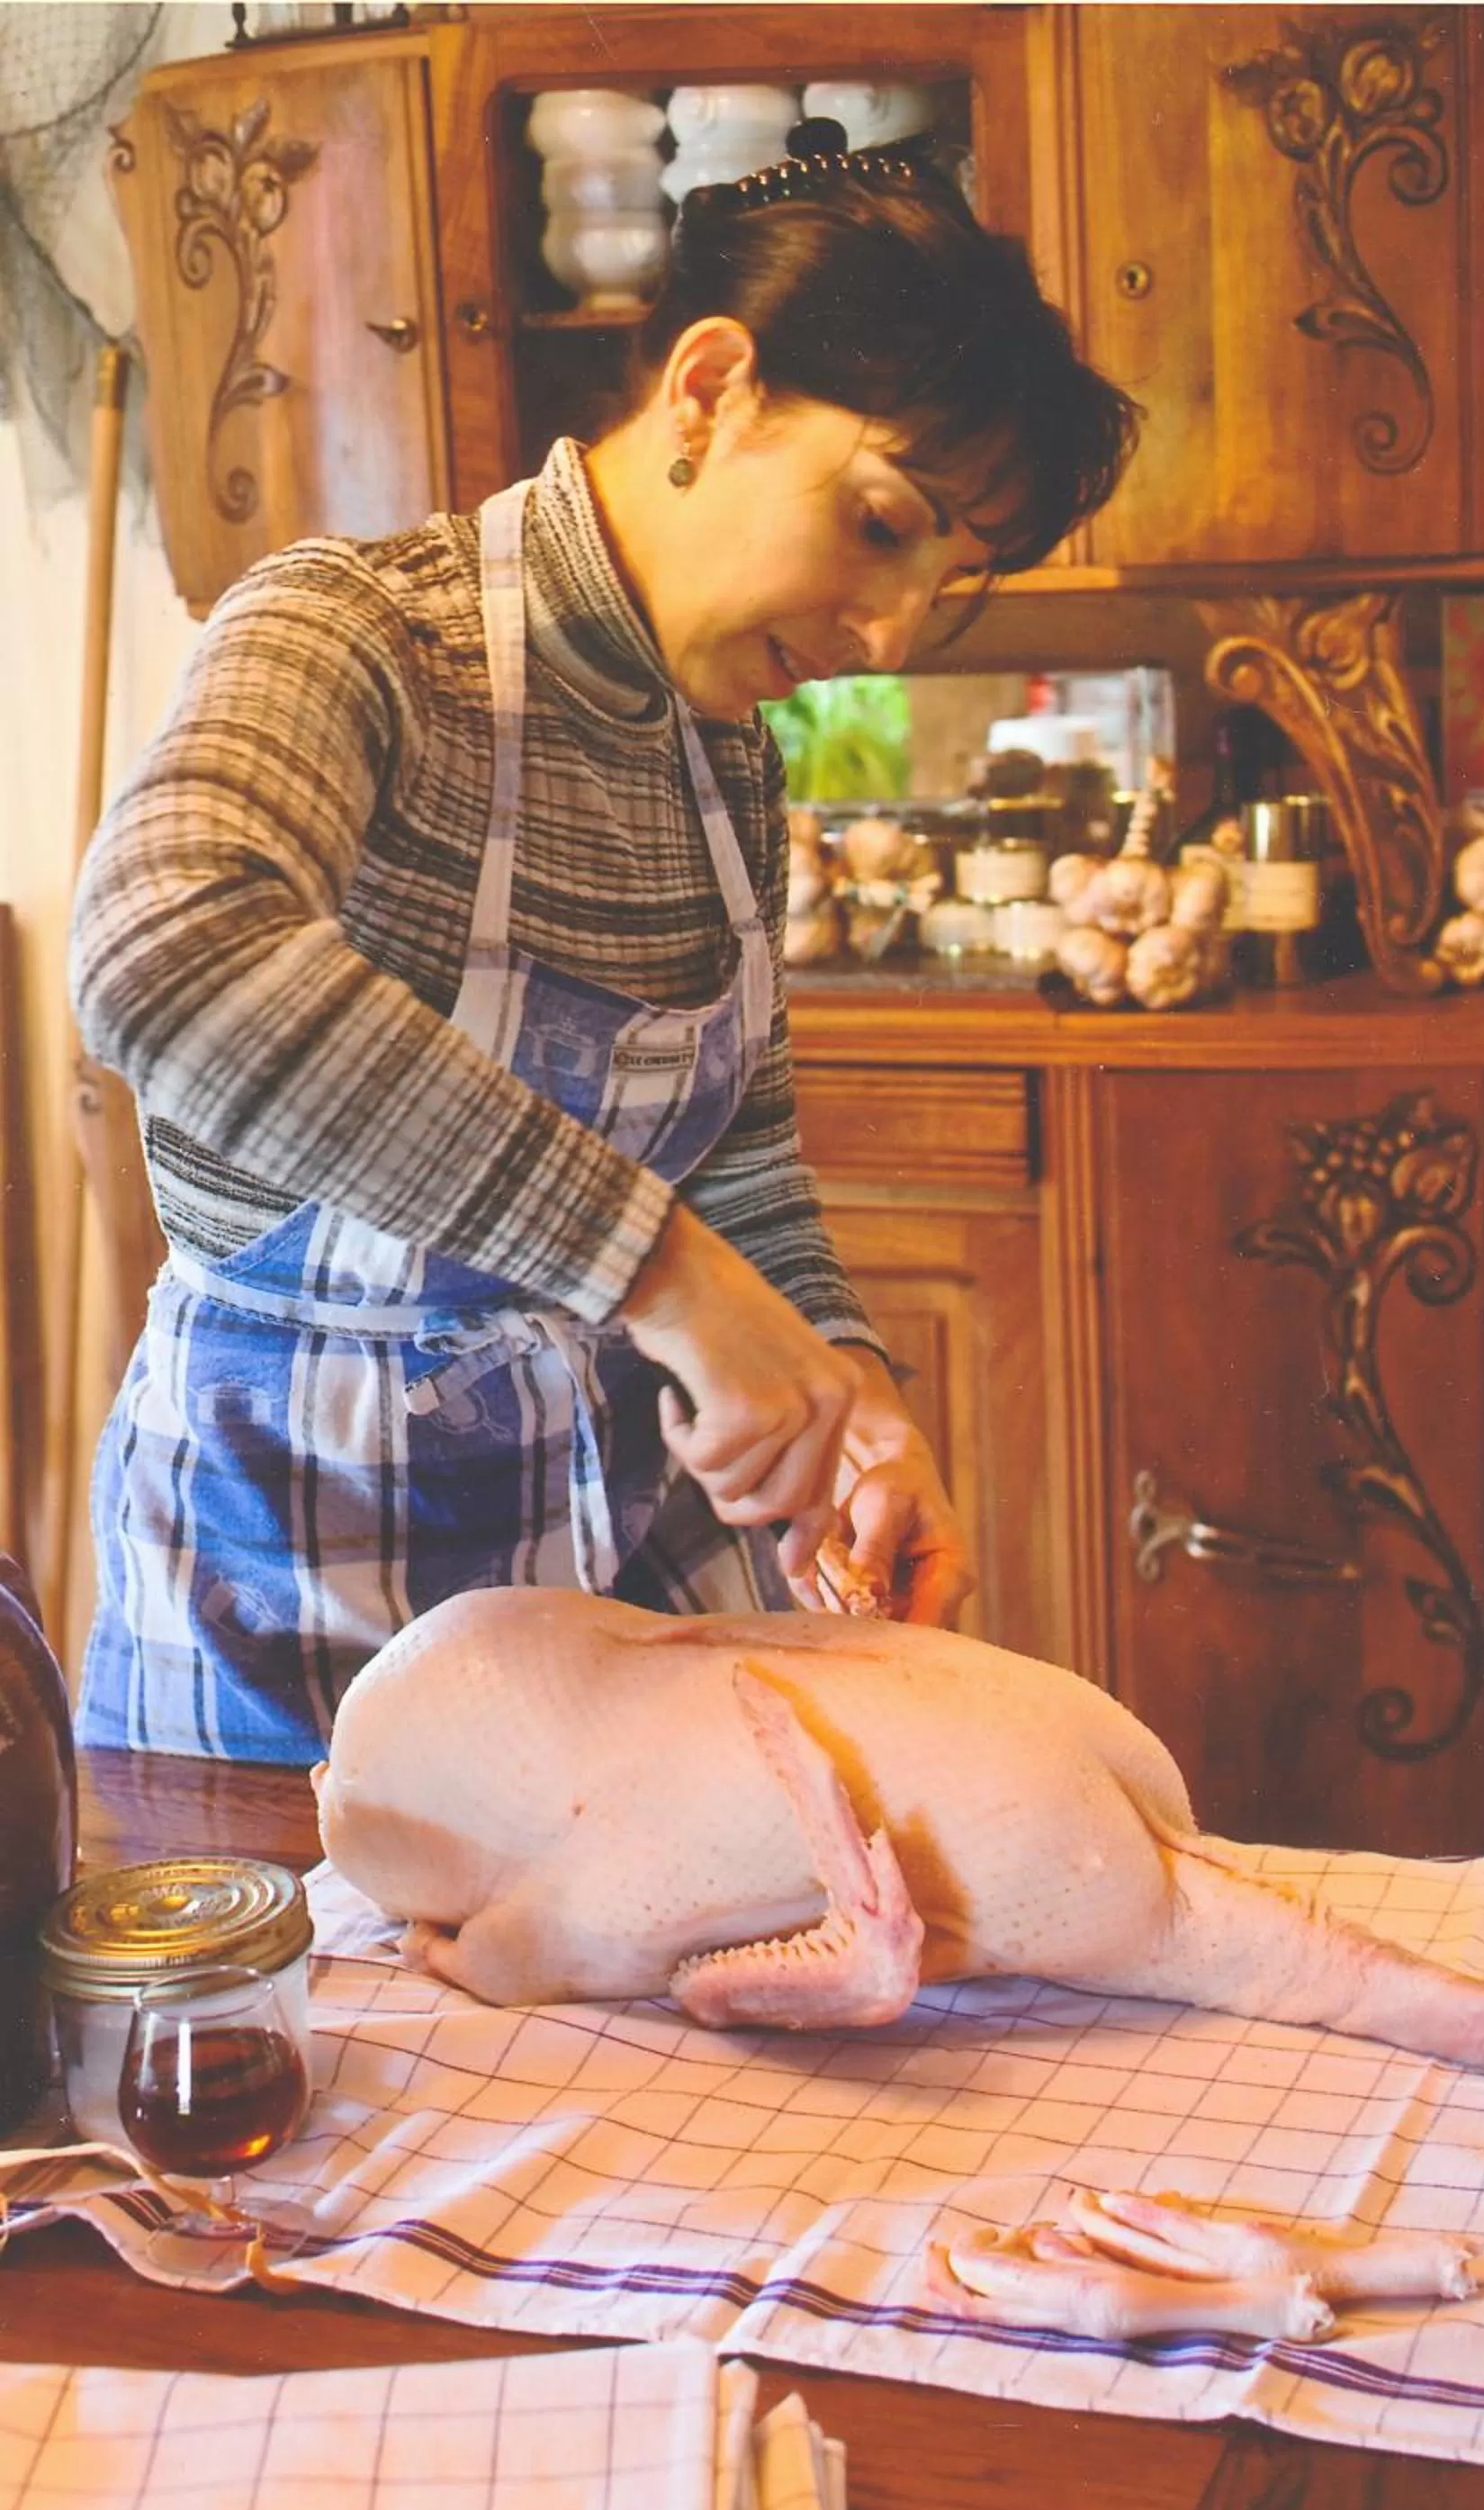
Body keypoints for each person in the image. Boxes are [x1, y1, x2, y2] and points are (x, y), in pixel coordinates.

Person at [69, 122, 1140, 1766]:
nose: (889, 637)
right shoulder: (355, 634)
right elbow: (167, 947)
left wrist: (846, 1390)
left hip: (603, 1568)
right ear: (711, 390)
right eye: (877, 524)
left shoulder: (725, 761)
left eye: (952, 583)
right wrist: (668, 1281)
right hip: (292, 1595)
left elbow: (744, 1149)